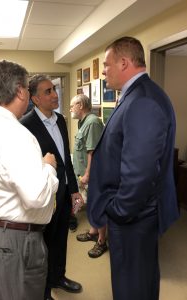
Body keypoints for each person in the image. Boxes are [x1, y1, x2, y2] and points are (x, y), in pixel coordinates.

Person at [87, 36, 179, 300]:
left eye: (106, 65)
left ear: (124, 63)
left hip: (132, 219)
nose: (103, 71)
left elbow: (140, 173)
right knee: (140, 282)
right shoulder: (136, 95)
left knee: (132, 287)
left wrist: (118, 212)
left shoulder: (143, 101)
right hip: (134, 216)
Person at [0, 60, 59, 300]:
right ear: (19, 91)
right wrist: (48, 168)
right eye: (27, 88)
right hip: (15, 240)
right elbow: (36, 196)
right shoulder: (15, 134)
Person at [20, 74, 83, 300]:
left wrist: (74, 189)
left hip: (64, 192)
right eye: (47, 91)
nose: (55, 95)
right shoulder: (25, 125)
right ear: (35, 99)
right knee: (43, 246)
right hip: (44, 196)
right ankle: (44, 290)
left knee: (60, 241)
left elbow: (65, 158)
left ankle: (59, 277)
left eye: (54, 89)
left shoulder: (61, 120)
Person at [70, 94, 107, 258]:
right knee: (91, 205)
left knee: (98, 207)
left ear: (80, 105)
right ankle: (93, 232)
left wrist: (87, 174)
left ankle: (101, 241)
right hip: (83, 175)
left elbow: (94, 152)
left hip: (92, 175)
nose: (71, 109)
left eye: (72, 106)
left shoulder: (92, 122)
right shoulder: (82, 122)